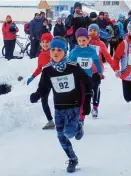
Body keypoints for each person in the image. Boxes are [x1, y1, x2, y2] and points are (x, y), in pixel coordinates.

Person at [30, 37, 92, 173]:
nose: (55, 52)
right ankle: (72, 159)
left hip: (74, 106)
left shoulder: (73, 67)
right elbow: (43, 88)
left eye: (59, 50)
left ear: (65, 52)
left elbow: (88, 83)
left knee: (69, 133)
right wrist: (36, 95)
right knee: (60, 136)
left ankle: (79, 126)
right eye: (53, 49)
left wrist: (87, 102)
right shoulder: (47, 70)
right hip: (59, 108)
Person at [68, 28, 103, 124]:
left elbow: (96, 61)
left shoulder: (91, 51)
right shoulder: (75, 51)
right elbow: (69, 61)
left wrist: (100, 72)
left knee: (84, 98)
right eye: (79, 40)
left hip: (88, 78)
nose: (82, 42)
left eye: (84, 40)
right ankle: (75, 114)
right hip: (76, 79)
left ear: (88, 40)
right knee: (76, 98)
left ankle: (81, 118)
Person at [27, 33, 55, 130]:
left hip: (56, 77)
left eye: (47, 42)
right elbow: (39, 68)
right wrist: (32, 77)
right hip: (46, 78)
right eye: (43, 42)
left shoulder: (54, 52)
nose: (45, 44)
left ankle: (64, 119)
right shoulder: (41, 55)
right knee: (44, 100)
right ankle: (50, 121)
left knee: (60, 100)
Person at [88, 24, 113, 118]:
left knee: (95, 88)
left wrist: (115, 67)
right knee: (88, 89)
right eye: (90, 30)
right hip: (85, 70)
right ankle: (89, 100)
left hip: (97, 70)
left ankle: (95, 107)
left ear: (98, 32)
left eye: (95, 30)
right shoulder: (84, 41)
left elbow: (107, 56)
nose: (93, 32)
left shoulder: (101, 44)